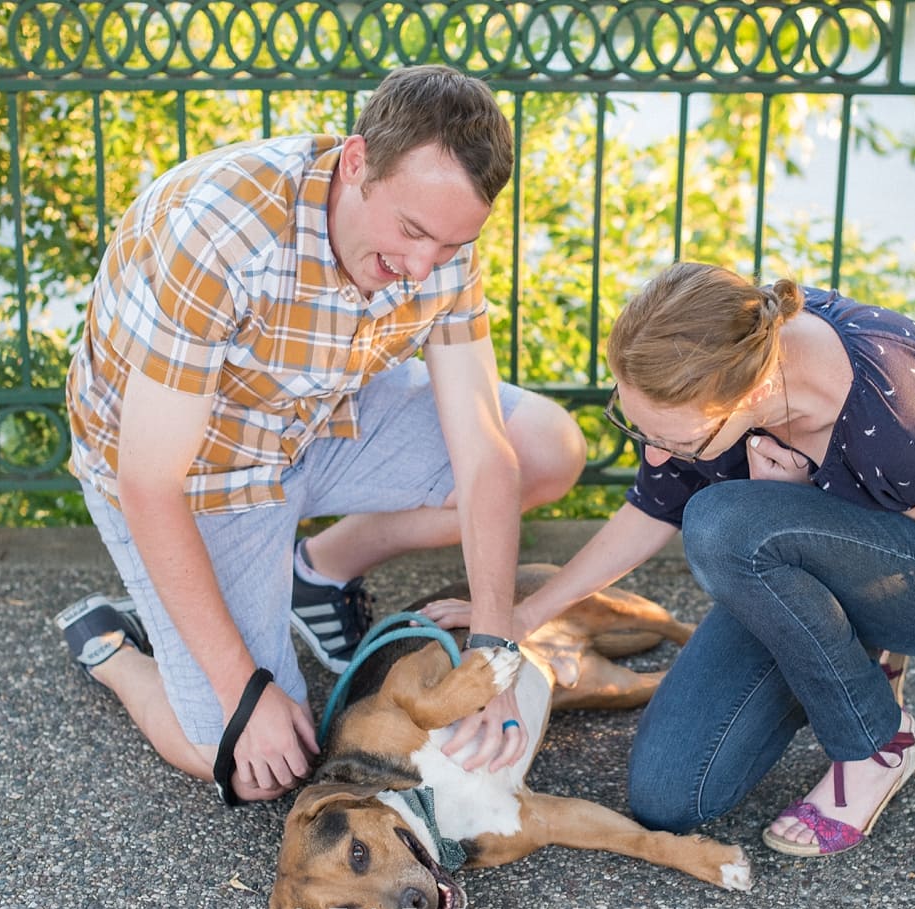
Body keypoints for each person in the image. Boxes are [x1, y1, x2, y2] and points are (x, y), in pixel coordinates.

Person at [56, 65, 585, 807]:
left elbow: (484, 451)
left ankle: (318, 571)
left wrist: (492, 654)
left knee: (546, 446)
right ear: (357, 161)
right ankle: (114, 650)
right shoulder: (218, 233)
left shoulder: (437, 236)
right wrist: (245, 690)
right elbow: (150, 484)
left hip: (318, 414)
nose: (423, 269)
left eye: (451, 245)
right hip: (200, 473)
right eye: (413, 233)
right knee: (250, 758)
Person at [426, 262, 915, 856]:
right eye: (640, 429)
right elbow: (650, 509)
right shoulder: (704, 364)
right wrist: (522, 618)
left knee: (720, 524)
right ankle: (848, 653)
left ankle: (874, 742)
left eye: (677, 442)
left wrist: (806, 512)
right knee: (670, 795)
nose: (659, 458)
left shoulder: (885, 401)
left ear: (760, 393)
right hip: (792, 575)